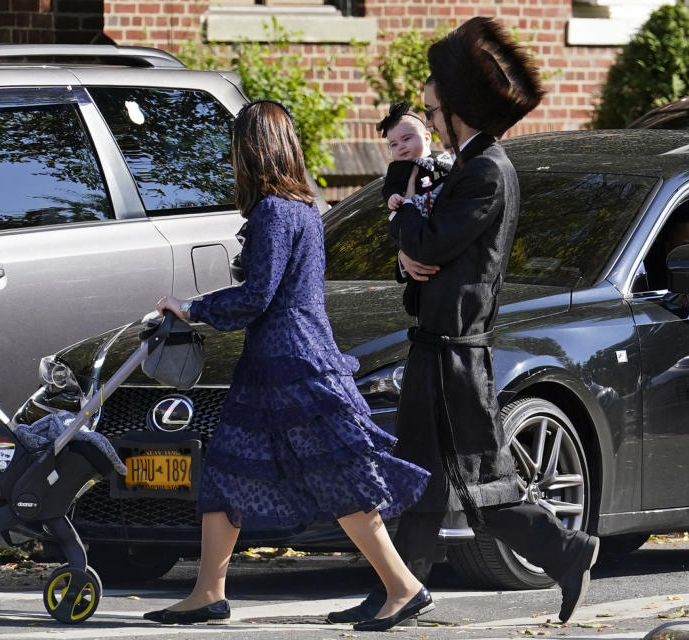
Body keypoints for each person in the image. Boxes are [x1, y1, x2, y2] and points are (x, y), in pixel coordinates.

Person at [329, 17, 600, 626]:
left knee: (481, 483)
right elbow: (425, 255)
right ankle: (399, 589)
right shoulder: (469, 163)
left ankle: (567, 550)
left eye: (434, 106)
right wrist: (408, 250)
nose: (427, 113)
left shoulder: (485, 170)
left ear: (458, 113)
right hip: (437, 342)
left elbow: (431, 243)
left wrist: (401, 221)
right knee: (419, 476)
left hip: (458, 350)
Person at [148, 100, 433, 631]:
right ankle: (208, 591)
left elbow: (259, 295)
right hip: (274, 362)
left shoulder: (275, 212)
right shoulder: (303, 207)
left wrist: (193, 309)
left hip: (292, 361)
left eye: (237, 147)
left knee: (339, 473)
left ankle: (403, 586)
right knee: (228, 469)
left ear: (251, 150)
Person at [377, 102, 453, 218]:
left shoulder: (443, 157)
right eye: (394, 144)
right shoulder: (397, 169)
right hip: (418, 218)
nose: (401, 146)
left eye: (406, 139)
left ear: (427, 138)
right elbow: (389, 187)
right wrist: (392, 197)